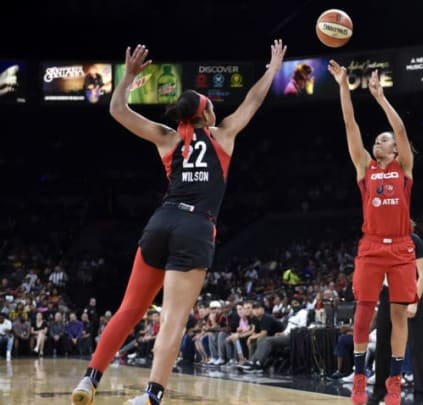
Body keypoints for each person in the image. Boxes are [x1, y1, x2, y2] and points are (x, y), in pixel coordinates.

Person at [71, 39, 286, 405]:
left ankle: (89, 380)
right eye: (213, 107)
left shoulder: (168, 138)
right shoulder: (224, 135)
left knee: (129, 309)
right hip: (195, 228)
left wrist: (129, 78)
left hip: (161, 222)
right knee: (172, 319)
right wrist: (272, 69)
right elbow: (253, 100)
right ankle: (152, 395)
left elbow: (117, 110)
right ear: (205, 116)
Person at [328, 60, 415, 405]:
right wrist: (343, 85)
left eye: (384, 139)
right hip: (371, 246)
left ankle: (394, 380)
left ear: (393, 149)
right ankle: (360, 376)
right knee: (364, 310)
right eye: (377, 139)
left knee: (397, 314)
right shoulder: (364, 167)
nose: (378, 142)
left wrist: (380, 98)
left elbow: (403, 130)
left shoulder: (404, 167)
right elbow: (350, 123)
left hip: (402, 248)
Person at [369, 227, 423, 405]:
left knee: (416, 346)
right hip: (388, 294)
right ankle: (379, 392)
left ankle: (421, 396)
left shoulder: (413, 239)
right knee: (382, 344)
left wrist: (414, 301)